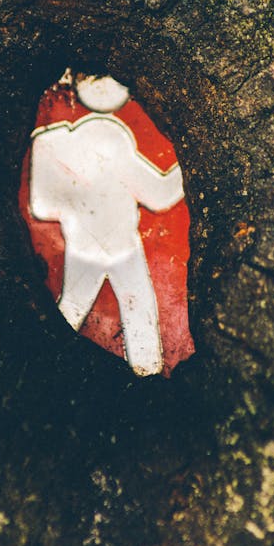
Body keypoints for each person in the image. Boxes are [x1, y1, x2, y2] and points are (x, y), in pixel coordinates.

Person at [29, 75, 184, 375]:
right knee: (138, 312)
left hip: (82, 247)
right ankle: (148, 372)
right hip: (121, 248)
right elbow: (159, 194)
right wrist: (187, 169)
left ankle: (50, 368)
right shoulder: (112, 140)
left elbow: (42, 205)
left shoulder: (65, 143)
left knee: (71, 309)